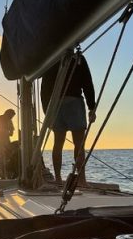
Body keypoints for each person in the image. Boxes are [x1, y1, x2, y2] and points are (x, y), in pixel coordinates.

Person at [41, 54, 96, 186]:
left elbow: (45, 89)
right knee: (79, 144)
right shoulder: (78, 59)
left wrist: (47, 113)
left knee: (58, 143)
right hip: (74, 102)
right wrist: (92, 107)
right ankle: (82, 180)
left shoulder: (52, 59)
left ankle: (58, 179)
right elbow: (87, 83)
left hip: (56, 105)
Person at [0, 109, 15, 178]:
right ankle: (2, 175)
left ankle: (7, 175)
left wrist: (7, 131)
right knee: (0, 159)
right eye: (11, 116)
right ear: (7, 113)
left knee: (7, 159)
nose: (11, 118)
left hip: (6, 143)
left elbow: (11, 133)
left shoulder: (9, 121)